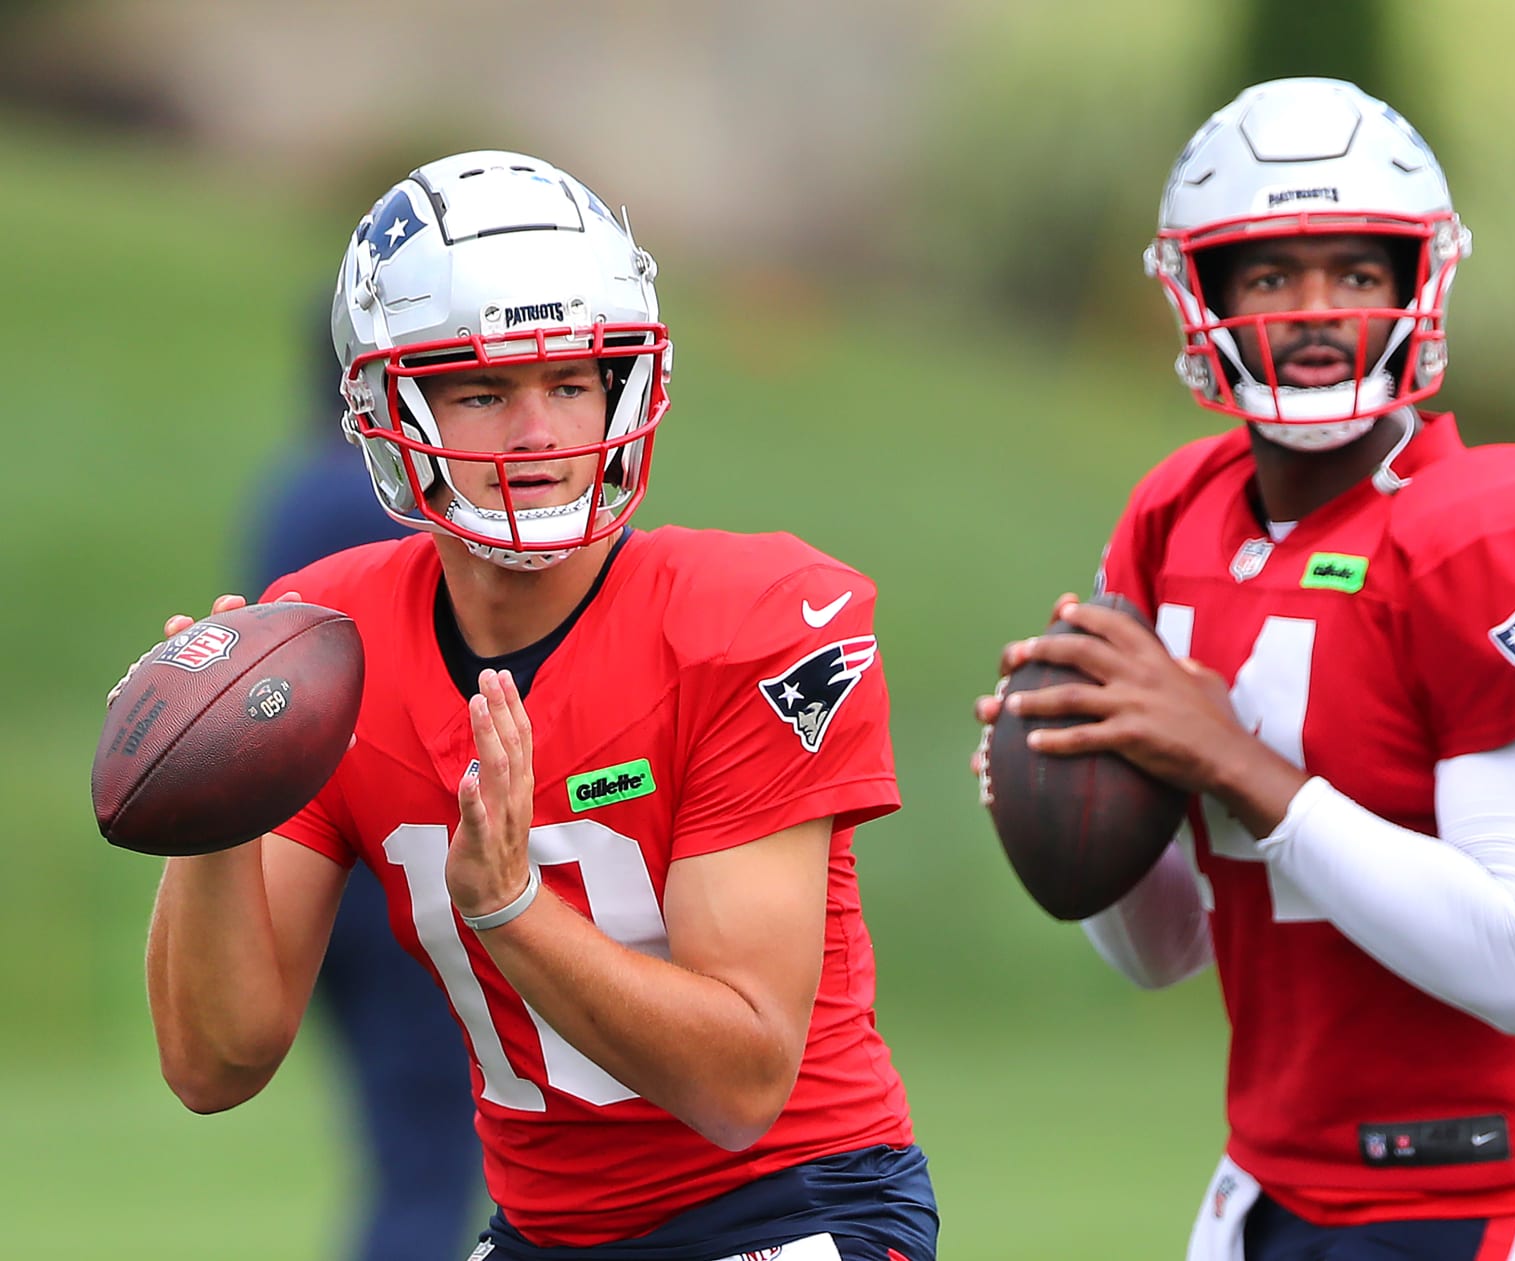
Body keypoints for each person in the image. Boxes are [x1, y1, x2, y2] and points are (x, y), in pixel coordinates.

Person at [135, 150, 937, 1261]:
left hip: (796, 1207)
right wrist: (212, 808)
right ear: (385, 405)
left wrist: (512, 909)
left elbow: (743, 1081)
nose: (541, 433)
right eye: (482, 390)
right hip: (545, 1232)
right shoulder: (330, 643)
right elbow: (215, 1066)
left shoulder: (751, 620)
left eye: (570, 381)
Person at [973, 79, 1515, 1260]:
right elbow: (1162, 948)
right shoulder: (1176, 517)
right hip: (1276, 1171)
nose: (1314, 312)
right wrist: (1071, 777)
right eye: (1270, 274)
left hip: (1505, 1185)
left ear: (1415, 286)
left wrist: (1234, 764)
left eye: (1355, 272)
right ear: (1202, 292)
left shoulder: (1500, 527)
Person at [244, 332, 486, 1261]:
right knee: (429, 1169)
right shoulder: (382, 502)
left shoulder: (291, 490)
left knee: (400, 1154)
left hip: (304, 862)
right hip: (389, 859)